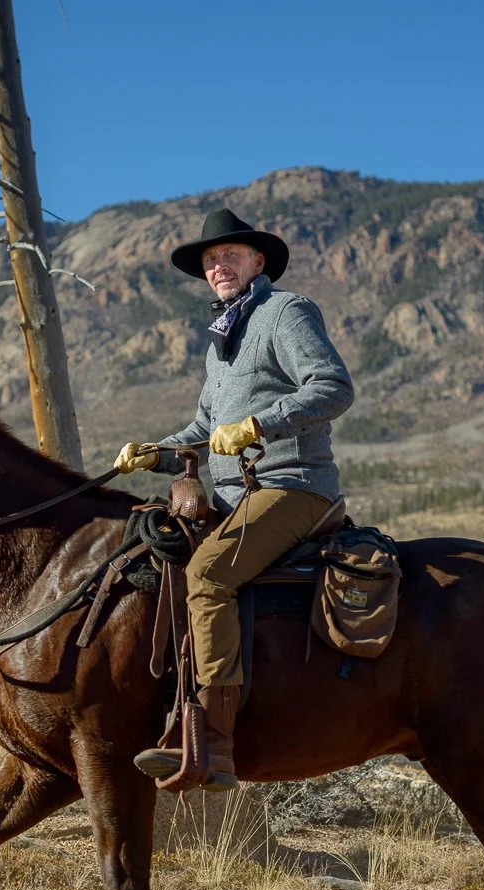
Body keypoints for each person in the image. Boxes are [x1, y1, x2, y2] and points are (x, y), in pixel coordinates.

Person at [112, 208, 354, 789]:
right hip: (231, 496)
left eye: (229, 255)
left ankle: (215, 742)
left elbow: (333, 387)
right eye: (209, 260)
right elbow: (203, 429)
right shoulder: (221, 339)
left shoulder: (284, 312)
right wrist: (154, 451)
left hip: (293, 485)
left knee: (211, 574)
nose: (217, 266)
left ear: (258, 260)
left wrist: (258, 425)